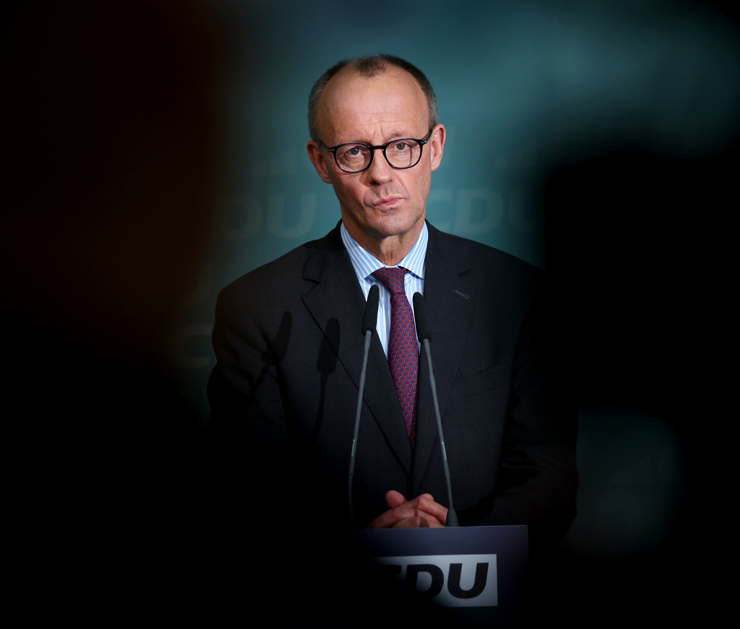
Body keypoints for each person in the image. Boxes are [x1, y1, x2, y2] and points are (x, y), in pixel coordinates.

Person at [208, 55, 577, 551]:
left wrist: (461, 544)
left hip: (486, 587)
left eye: (402, 146)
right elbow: (247, 489)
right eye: (355, 152)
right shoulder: (257, 308)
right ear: (321, 162)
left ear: (435, 147)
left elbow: (547, 472)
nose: (381, 174)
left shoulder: (519, 296)